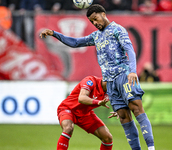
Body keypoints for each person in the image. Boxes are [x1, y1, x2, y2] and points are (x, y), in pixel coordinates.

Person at [40, 4, 155, 150]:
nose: (95, 23)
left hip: (124, 75)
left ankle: (151, 148)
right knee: (124, 117)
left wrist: (132, 71)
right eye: (91, 21)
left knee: (136, 109)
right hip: (110, 82)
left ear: (103, 14)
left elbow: (130, 49)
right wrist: (54, 34)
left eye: (95, 18)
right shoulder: (96, 36)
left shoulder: (117, 29)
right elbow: (75, 42)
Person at [56, 75, 113, 150]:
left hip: (86, 114)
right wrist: (98, 102)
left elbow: (121, 103)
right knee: (68, 128)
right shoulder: (90, 81)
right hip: (68, 109)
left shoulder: (111, 91)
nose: (115, 86)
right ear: (107, 80)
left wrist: (118, 111)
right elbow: (82, 98)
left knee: (107, 137)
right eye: (113, 83)